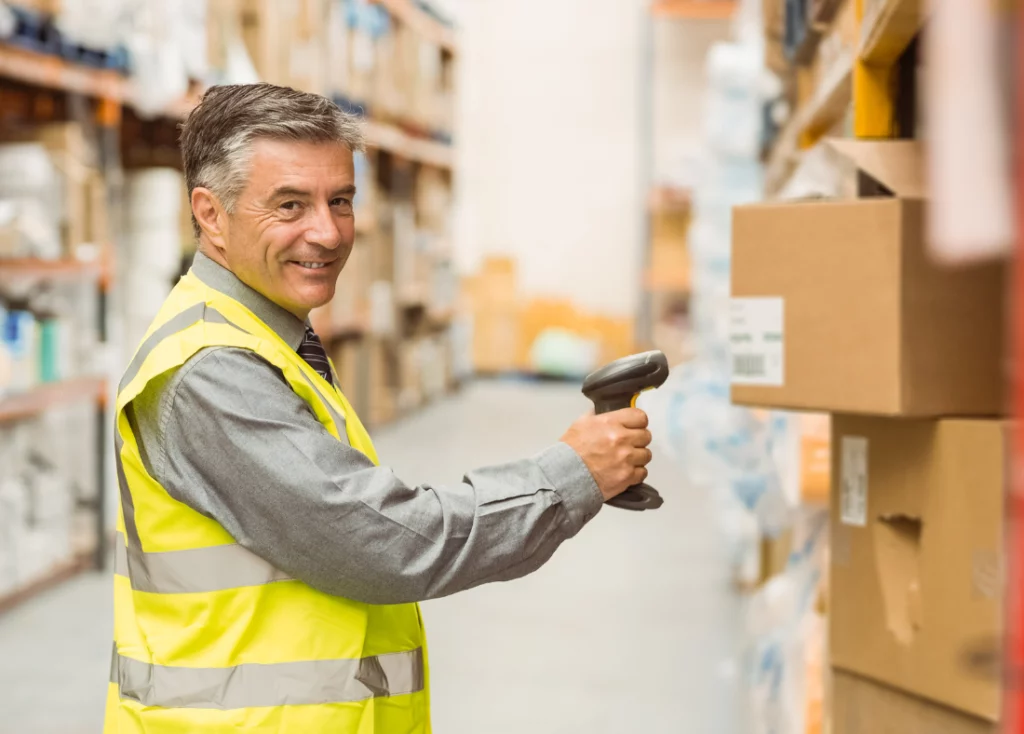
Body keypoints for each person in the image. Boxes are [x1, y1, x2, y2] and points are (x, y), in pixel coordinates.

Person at [104, 83, 653, 733]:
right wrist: (570, 475)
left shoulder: (266, 336)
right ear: (211, 214)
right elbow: (381, 541)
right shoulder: (209, 371)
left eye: (341, 200)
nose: (328, 232)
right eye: (290, 206)